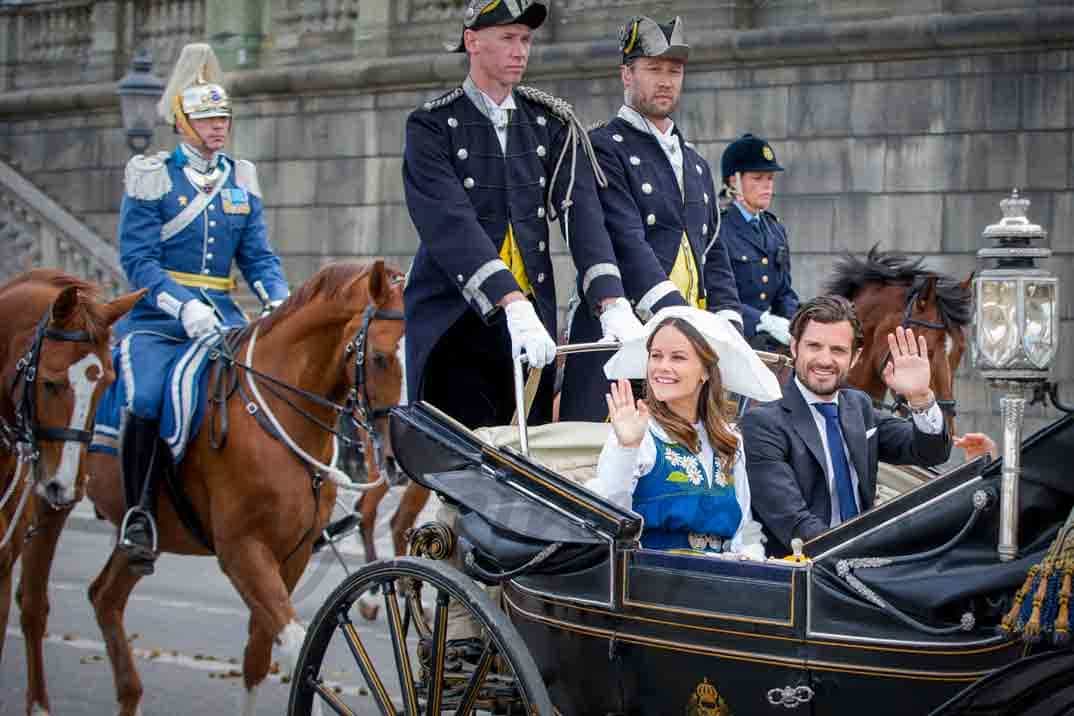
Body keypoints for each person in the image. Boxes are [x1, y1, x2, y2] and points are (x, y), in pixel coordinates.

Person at [403, 0, 642, 430]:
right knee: (465, 467)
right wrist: (510, 304)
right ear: (472, 41)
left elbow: (581, 214)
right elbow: (450, 223)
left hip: (533, 326)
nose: (520, 50)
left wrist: (612, 301)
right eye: (508, 38)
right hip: (458, 322)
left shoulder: (549, 122)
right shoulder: (432, 125)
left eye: (526, 40)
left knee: (529, 463)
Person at [112, 43, 289, 573]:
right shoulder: (153, 174)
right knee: (145, 397)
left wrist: (277, 299)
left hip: (224, 319)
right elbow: (138, 260)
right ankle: (139, 513)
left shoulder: (241, 178)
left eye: (223, 117)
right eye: (207, 118)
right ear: (182, 121)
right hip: (160, 321)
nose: (218, 127)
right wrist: (183, 306)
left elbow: (256, 255)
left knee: (273, 385)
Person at [559, 15, 742, 422]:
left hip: (688, 352)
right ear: (627, 74)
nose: (665, 81)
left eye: (674, 71)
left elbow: (713, 253)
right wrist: (683, 321)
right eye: (653, 69)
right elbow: (625, 241)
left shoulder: (694, 162)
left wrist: (729, 321)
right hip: (627, 338)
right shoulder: (603, 147)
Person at [740, 296, 952, 556]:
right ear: (795, 347)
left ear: (855, 357)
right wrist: (869, 552)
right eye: (814, 346)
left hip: (864, 563)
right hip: (804, 574)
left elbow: (930, 452)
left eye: (838, 350)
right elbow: (796, 524)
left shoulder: (858, 406)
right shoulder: (763, 424)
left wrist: (920, 397)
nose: (825, 360)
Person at [589, 307, 781, 559]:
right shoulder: (638, 432)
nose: (662, 367)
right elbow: (607, 523)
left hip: (717, 584)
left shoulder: (730, 438)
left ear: (705, 371)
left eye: (677, 357)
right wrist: (627, 448)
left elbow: (743, 527)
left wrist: (750, 553)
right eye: (656, 356)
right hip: (650, 585)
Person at [718, 133, 799, 352]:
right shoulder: (717, 227)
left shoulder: (775, 228)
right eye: (758, 178)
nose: (767, 186)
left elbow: (784, 292)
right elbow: (715, 295)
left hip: (773, 338)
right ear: (734, 181)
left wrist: (794, 324)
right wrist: (763, 321)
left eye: (770, 179)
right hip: (732, 334)